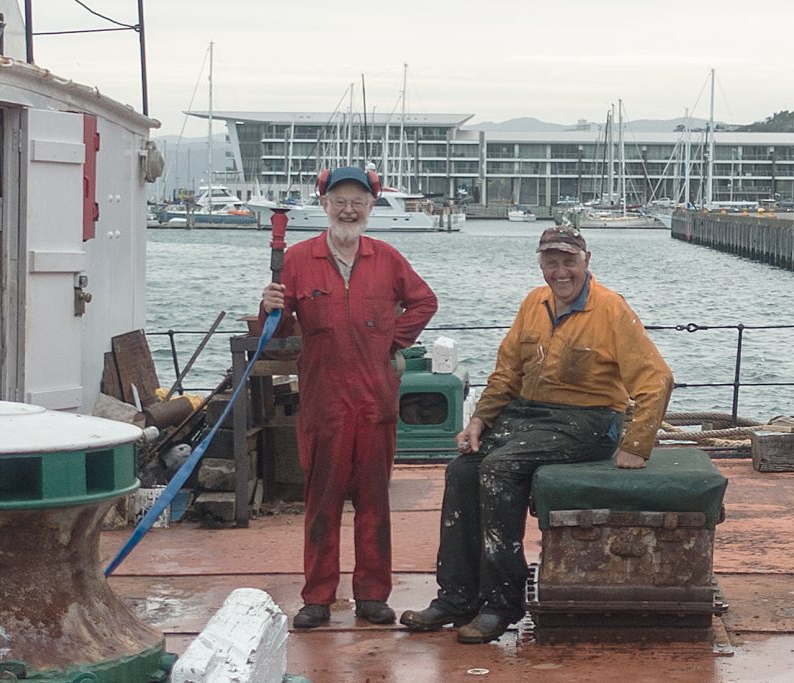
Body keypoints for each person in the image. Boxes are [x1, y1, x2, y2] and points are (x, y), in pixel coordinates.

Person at [400, 225, 674, 644]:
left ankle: (500, 602)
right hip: (530, 414)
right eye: (551, 262)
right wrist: (480, 420)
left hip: (590, 420)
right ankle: (456, 596)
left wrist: (636, 444)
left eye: (569, 261)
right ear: (540, 263)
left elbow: (656, 378)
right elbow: (508, 371)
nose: (560, 272)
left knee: (499, 468)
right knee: (462, 469)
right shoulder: (534, 302)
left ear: (586, 261)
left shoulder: (611, 309)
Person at [260, 167, 437, 629]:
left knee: (375, 501)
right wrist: (270, 307)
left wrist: (392, 341)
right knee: (321, 502)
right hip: (323, 401)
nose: (349, 209)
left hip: (376, 401)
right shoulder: (298, 259)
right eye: (339, 199)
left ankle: (372, 596)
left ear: (371, 207)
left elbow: (424, 301)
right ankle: (317, 597)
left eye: (358, 200)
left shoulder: (387, 258)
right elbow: (274, 334)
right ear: (323, 205)